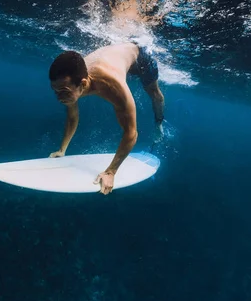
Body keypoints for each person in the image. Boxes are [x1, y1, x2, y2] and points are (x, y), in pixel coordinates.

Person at [48, 41, 165, 195]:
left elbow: (131, 133)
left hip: (140, 57)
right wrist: (62, 149)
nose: (59, 98)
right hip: (115, 57)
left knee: (155, 94)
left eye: (63, 92)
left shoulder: (112, 86)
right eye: (55, 92)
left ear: (83, 84)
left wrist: (111, 172)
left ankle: (159, 123)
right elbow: (72, 117)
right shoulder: (70, 86)